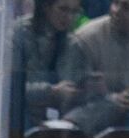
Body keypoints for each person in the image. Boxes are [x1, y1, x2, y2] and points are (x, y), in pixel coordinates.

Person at [60, 0, 129, 136]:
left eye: (127, 7)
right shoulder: (84, 40)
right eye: (115, 3)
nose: (116, 11)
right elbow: (68, 102)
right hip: (95, 129)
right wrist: (113, 101)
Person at [11, 0, 84, 131]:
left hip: (59, 118)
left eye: (75, 11)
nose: (69, 17)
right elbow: (9, 88)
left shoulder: (73, 43)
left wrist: (89, 88)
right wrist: (50, 92)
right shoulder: (17, 35)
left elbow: (77, 87)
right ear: (46, 7)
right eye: (63, 9)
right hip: (23, 114)